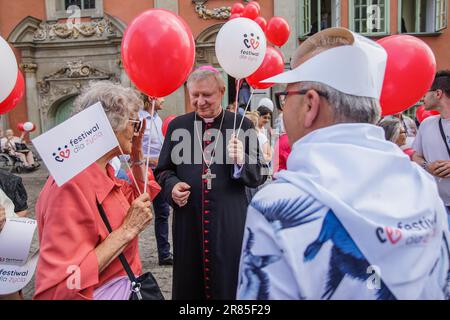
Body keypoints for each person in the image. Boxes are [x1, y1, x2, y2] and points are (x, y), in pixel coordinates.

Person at [237, 28, 450, 300]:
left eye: (286, 97)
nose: (284, 107)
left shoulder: (276, 205)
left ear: (310, 104)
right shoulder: (422, 184)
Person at [34, 81, 161, 300]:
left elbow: (142, 196)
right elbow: (58, 287)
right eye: (134, 121)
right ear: (110, 125)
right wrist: (127, 231)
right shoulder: (71, 186)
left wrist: (137, 153)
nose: (137, 129)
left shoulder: (103, 172)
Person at [155, 66, 266, 300]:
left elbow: (260, 174)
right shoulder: (178, 126)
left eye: (207, 95)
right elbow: (163, 171)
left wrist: (241, 160)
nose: (200, 101)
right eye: (194, 95)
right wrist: (172, 186)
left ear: (222, 91)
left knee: (230, 283)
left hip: (230, 221)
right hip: (189, 223)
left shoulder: (242, 125)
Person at [413, 70, 450, 225]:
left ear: (438, 93)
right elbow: (415, 156)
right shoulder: (427, 124)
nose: (422, 97)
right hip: (436, 205)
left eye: (425, 92)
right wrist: (428, 166)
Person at [140, 95, 173, 266]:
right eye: (161, 97)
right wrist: (151, 160)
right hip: (144, 174)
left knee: (163, 213)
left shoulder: (158, 119)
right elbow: (130, 149)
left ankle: (164, 254)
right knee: (138, 213)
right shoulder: (139, 119)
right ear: (150, 97)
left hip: (159, 173)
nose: (164, 100)